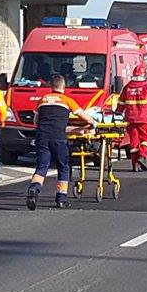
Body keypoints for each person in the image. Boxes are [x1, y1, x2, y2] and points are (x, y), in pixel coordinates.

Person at [26, 75, 97, 210]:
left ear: (51, 87)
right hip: (58, 137)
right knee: (63, 167)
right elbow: (85, 117)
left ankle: (34, 189)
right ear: (63, 87)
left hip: (42, 137)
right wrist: (93, 124)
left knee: (42, 167)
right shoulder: (67, 100)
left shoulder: (42, 100)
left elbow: (36, 122)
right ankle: (61, 199)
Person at [121, 62, 147, 172]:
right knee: (146, 139)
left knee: (134, 142)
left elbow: (121, 104)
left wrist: (118, 114)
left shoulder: (127, 87)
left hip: (130, 119)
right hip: (145, 119)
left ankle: (135, 165)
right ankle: (142, 156)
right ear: (145, 75)